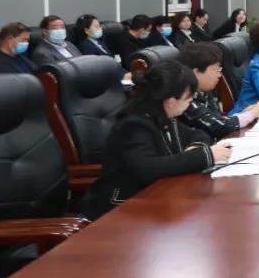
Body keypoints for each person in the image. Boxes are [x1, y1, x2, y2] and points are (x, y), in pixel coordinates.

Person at [81, 61, 231, 220]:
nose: (189, 104)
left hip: (156, 196)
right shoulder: (134, 125)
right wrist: (204, 155)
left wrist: (197, 147)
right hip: (121, 206)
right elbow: (148, 169)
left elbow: (198, 134)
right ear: (171, 101)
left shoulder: (162, 114)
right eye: (188, 99)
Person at [176, 43, 259, 139]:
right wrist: (251, 114)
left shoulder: (205, 90)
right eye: (216, 70)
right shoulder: (185, 100)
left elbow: (217, 118)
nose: (219, 75)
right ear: (196, 73)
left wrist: (243, 114)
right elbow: (219, 126)